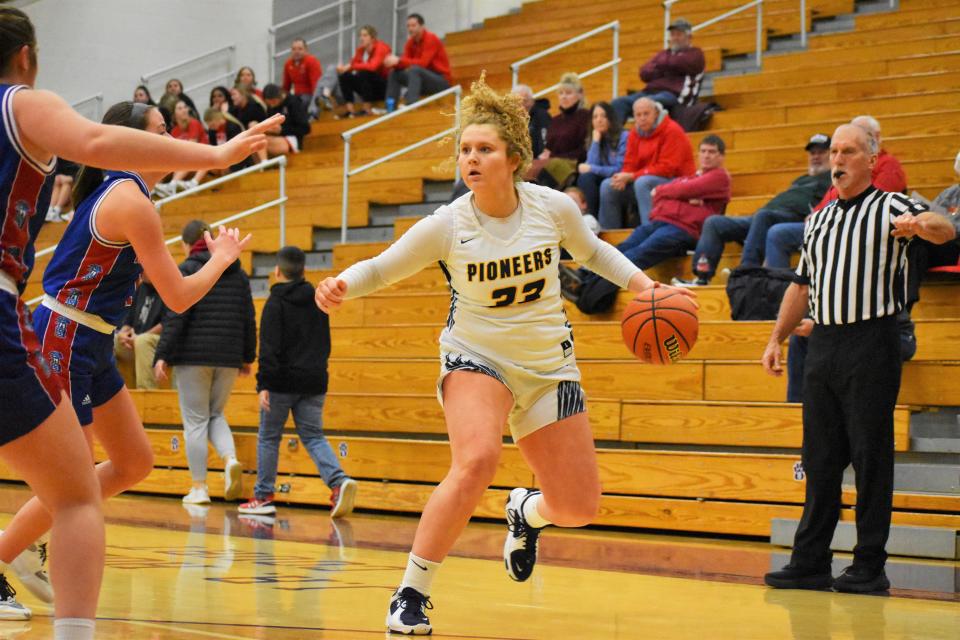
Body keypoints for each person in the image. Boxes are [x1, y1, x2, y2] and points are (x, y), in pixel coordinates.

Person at [314, 75, 696, 636]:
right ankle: (410, 593)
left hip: (548, 365)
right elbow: (383, 265)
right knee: (476, 461)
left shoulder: (551, 208)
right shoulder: (450, 223)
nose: (472, 158)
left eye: (484, 149)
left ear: (514, 158)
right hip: (476, 356)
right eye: (465, 150)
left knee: (577, 508)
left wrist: (650, 290)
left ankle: (524, 512)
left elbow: (595, 253)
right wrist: (340, 283)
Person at [0, 8, 277, 635]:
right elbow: (177, 297)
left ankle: (29, 543)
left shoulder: (130, 198)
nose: (163, 139)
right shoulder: (126, 196)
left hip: (89, 338)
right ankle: (11, 551)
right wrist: (222, 253)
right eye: (156, 130)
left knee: (132, 462)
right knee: (73, 493)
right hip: (64, 330)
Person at [761, 124, 956, 594]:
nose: (838, 159)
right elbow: (801, 285)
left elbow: (945, 228)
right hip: (824, 343)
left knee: (870, 456)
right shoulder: (819, 220)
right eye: (834, 152)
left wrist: (918, 226)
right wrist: (776, 339)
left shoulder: (891, 205)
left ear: (872, 160)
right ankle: (810, 560)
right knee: (820, 457)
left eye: (849, 151)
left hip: (873, 340)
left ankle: (869, 564)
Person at [239, 246, 358, 519]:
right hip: (314, 381)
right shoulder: (318, 300)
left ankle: (263, 497)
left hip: (280, 382)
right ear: (304, 271)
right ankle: (338, 482)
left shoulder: (274, 303)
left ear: (277, 271)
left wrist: (263, 385)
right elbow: (324, 344)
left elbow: (268, 348)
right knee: (314, 436)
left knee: (268, 437)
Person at [153, 220, 257, 506]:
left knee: (196, 421)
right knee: (215, 415)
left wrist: (162, 353)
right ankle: (230, 459)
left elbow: (176, 315)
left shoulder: (187, 269)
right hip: (227, 357)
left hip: (193, 356)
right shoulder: (238, 274)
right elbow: (248, 317)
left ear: (187, 245)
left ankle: (199, 488)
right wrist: (247, 357)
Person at [561, 135, 729, 307]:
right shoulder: (690, 177)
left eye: (712, 152)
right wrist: (681, 195)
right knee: (622, 248)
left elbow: (674, 190)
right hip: (660, 221)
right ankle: (581, 275)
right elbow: (664, 195)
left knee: (638, 253)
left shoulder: (720, 177)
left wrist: (671, 192)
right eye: (703, 151)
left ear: (721, 156)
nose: (707, 155)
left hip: (683, 229)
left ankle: (587, 289)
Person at [672, 133, 832, 286]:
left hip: (793, 218)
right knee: (714, 222)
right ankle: (702, 277)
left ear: (831, 154)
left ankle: (746, 272)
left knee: (763, 216)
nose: (816, 156)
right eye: (813, 153)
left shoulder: (832, 178)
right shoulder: (801, 179)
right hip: (764, 216)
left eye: (821, 152)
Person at [598, 97, 695, 229]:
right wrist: (623, 177)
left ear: (655, 113)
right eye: (638, 115)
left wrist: (632, 176)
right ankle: (609, 238)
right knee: (608, 186)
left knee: (643, 182)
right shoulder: (634, 133)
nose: (642, 118)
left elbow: (668, 168)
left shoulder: (672, 130)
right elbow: (630, 163)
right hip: (645, 180)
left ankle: (648, 231)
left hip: (677, 182)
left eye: (646, 113)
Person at [610, 18, 705, 123]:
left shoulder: (696, 54)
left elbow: (677, 63)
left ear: (689, 37)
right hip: (650, 92)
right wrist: (668, 66)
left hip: (674, 95)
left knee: (647, 103)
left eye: (679, 34)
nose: (675, 38)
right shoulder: (664, 54)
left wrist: (660, 66)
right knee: (618, 103)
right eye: (672, 35)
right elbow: (644, 73)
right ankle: (616, 138)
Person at [527, 72, 590, 189]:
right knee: (527, 167)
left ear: (580, 95)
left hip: (572, 162)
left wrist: (553, 155)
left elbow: (584, 150)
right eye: (561, 93)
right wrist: (546, 153)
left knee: (551, 167)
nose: (564, 96)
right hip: (552, 161)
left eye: (568, 93)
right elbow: (549, 148)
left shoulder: (585, 116)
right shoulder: (555, 120)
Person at [384, 13, 451, 109]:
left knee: (415, 70)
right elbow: (404, 63)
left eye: (413, 25)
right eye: (408, 26)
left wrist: (399, 60)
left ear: (422, 26)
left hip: (441, 81)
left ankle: (411, 104)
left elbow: (423, 63)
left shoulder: (431, 38)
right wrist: (393, 63)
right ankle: (390, 108)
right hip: (422, 81)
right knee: (395, 73)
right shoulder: (410, 43)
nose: (410, 29)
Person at [114, 272, 166, 390]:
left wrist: (139, 337)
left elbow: (167, 322)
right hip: (136, 338)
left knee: (143, 342)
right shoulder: (141, 288)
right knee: (112, 341)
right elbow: (129, 319)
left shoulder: (166, 287)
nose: (141, 272)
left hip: (160, 341)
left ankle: (146, 393)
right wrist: (122, 334)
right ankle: (118, 390)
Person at [576, 102, 628, 216]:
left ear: (611, 118)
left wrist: (591, 168)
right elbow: (590, 166)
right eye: (595, 117)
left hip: (621, 179)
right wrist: (595, 142)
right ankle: (591, 218)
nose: (599, 120)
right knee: (585, 178)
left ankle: (593, 218)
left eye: (603, 116)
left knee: (595, 178)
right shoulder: (595, 138)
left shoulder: (624, 136)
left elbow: (620, 169)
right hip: (603, 178)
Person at [155, 99, 210, 197]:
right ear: (174, 114)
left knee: (188, 156)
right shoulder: (175, 131)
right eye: (180, 108)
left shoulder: (194, 123)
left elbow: (192, 147)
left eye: (185, 107)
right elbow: (173, 152)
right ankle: (154, 186)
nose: (184, 110)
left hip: (203, 158)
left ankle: (173, 184)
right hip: (187, 162)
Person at [337, 24, 391, 117]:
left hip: (384, 87)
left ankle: (366, 108)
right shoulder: (361, 50)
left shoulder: (381, 47)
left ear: (373, 38)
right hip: (368, 88)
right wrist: (343, 69)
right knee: (344, 76)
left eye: (365, 35)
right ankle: (350, 109)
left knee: (364, 72)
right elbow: (352, 65)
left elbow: (372, 67)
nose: (361, 38)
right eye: (360, 35)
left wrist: (352, 66)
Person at [261, 83, 310, 161]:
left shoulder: (293, 102)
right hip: (276, 137)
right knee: (255, 138)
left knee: (261, 141)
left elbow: (305, 128)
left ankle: (263, 165)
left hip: (292, 138)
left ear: (279, 96)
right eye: (268, 103)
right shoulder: (271, 106)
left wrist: (282, 130)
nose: (271, 105)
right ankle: (260, 166)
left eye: (273, 101)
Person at [282, 38, 322, 109]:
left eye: (300, 49)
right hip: (296, 95)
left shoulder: (312, 61)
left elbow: (316, 85)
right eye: (294, 49)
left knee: (298, 103)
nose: (296, 52)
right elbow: (286, 86)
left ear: (306, 50)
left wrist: (315, 103)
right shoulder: (288, 64)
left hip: (309, 95)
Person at [203, 108, 246, 173]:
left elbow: (236, 148)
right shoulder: (212, 131)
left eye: (212, 125)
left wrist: (225, 163)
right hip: (224, 158)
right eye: (209, 126)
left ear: (217, 118)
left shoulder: (232, 127)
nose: (210, 128)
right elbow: (214, 148)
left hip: (238, 158)